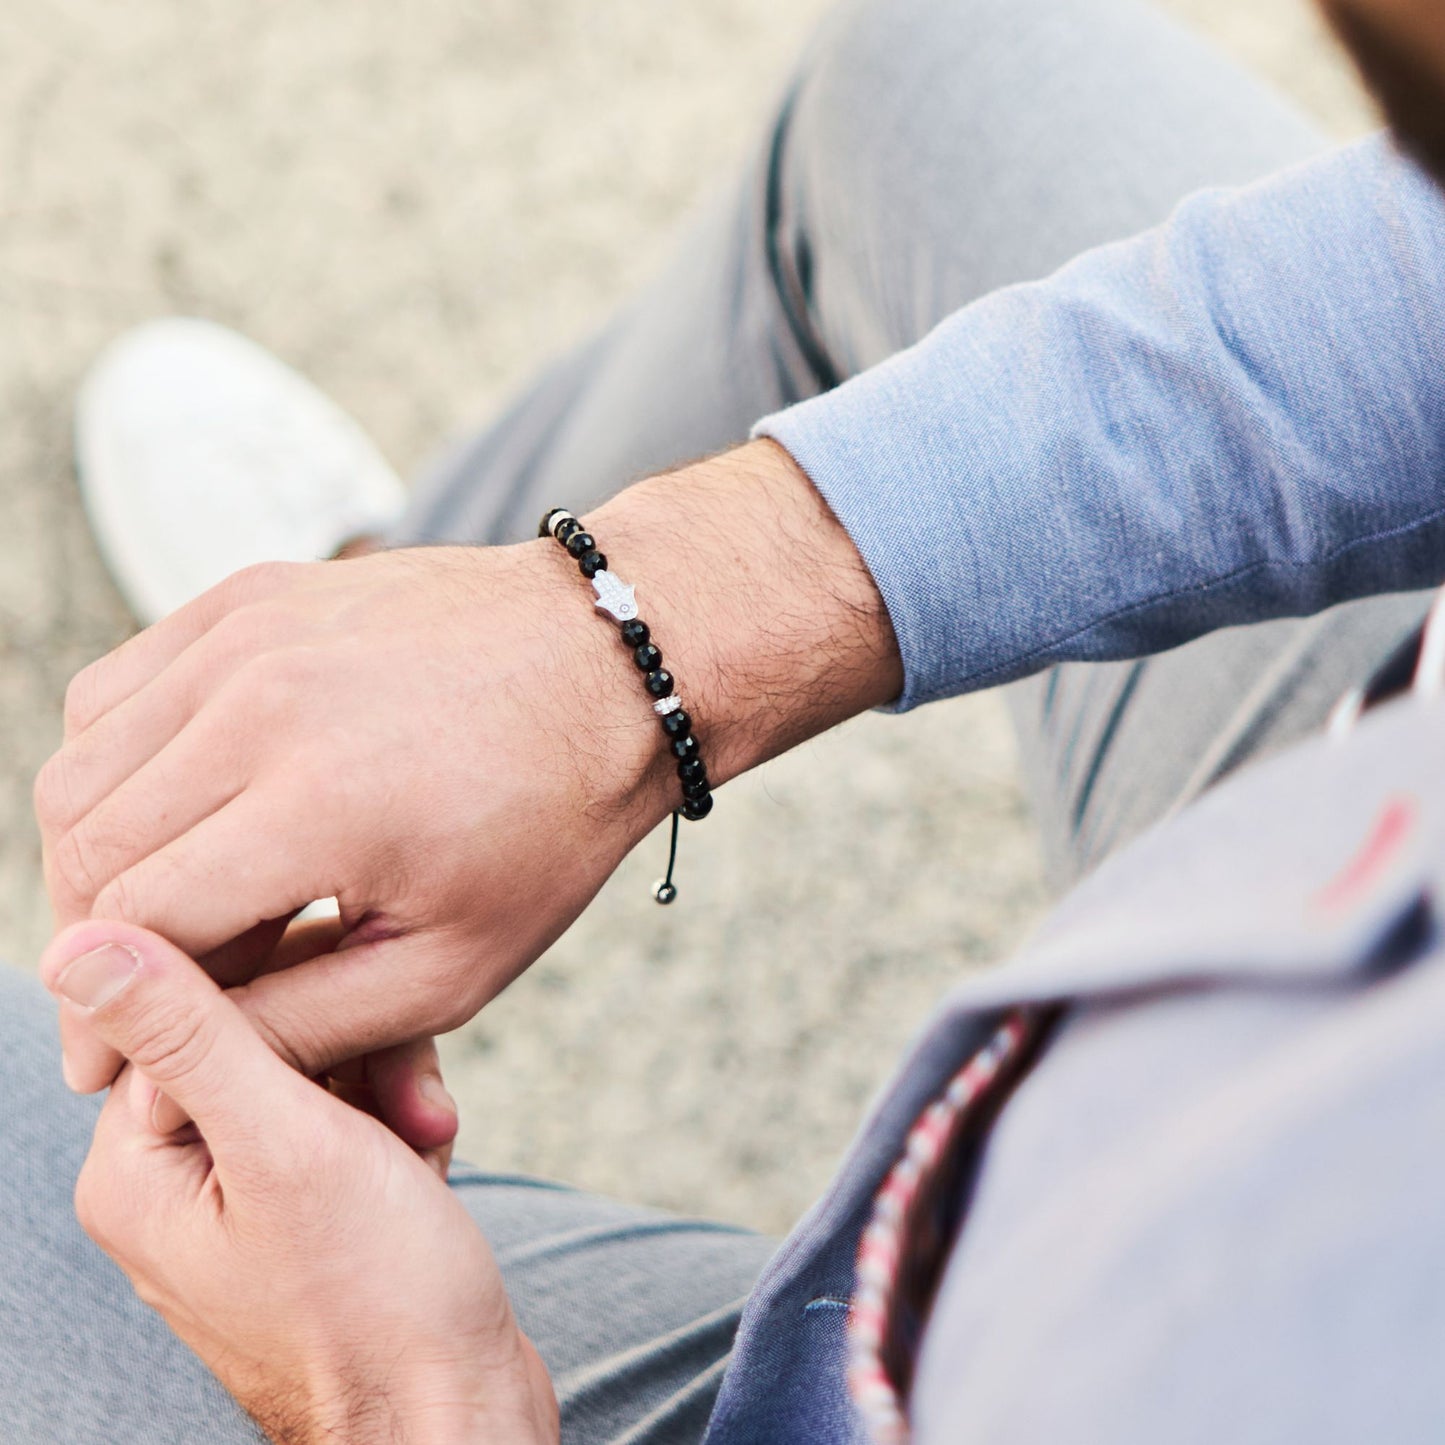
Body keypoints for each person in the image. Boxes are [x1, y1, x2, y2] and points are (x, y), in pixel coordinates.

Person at [7, 0, 1445, 1438]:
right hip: (1360, 843)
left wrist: (389, 1393)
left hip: (1081, 1333)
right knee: (938, 82)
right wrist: (634, 630)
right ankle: (338, 679)